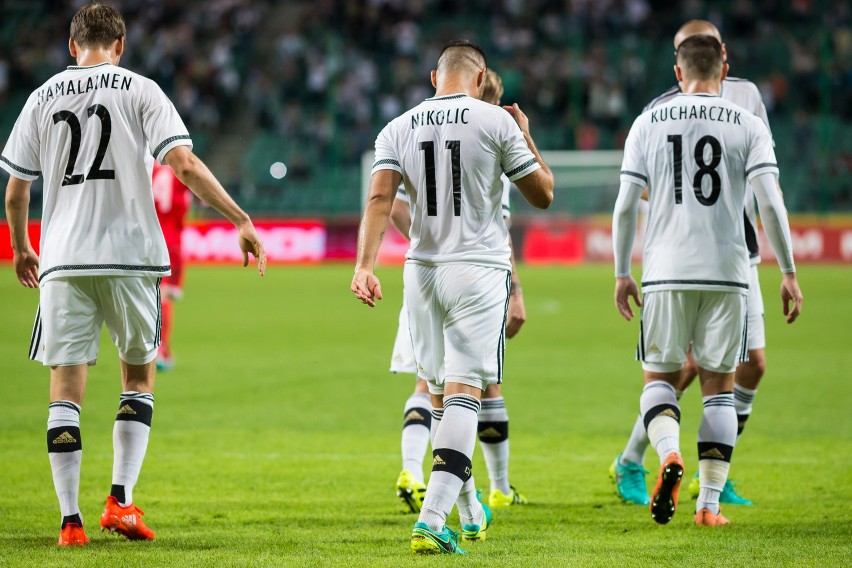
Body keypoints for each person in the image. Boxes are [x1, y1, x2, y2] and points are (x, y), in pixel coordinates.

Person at [1, 3, 266, 546]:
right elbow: (185, 165)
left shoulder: (40, 98)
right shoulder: (141, 90)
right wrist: (240, 218)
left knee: (64, 392)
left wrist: (24, 247)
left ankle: (70, 523)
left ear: (72, 45)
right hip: (131, 258)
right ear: (119, 45)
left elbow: (15, 190)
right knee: (138, 381)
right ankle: (120, 502)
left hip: (63, 260)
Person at [352, 40, 553, 554]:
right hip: (477, 271)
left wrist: (364, 264)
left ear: (432, 77)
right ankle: (432, 518)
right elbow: (543, 194)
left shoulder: (398, 126)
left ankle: (468, 511)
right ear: (482, 77)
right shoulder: (496, 122)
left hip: (420, 272)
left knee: (440, 399)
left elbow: (380, 198)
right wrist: (526, 136)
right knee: (466, 395)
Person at [612, 34, 802, 526]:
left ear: (678, 73)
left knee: (659, 380)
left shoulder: (648, 121)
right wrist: (788, 271)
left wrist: (620, 273)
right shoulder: (747, 122)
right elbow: (770, 203)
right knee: (720, 390)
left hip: (664, 272)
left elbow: (626, 205)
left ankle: (669, 453)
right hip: (730, 273)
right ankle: (709, 506)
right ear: (725, 69)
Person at [393, 70, 528, 514]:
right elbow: (505, 225)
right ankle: (478, 497)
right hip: (474, 278)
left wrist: (420, 238)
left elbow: (388, 202)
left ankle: (424, 476)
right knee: (476, 389)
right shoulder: (492, 135)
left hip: (422, 274)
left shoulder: (413, 127)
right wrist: (517, 291)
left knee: (431, 386)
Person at [152, 162, 191, 371]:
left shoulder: (150, 169)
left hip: (147, 237)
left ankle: (147, 346)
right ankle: (161, 348)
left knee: (151, 293)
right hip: (171, 240)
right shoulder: (181, 171)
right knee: (164, 295)